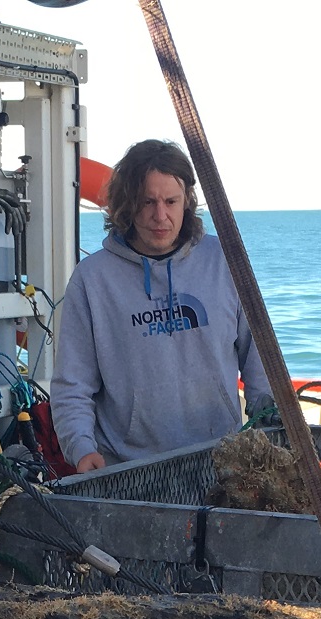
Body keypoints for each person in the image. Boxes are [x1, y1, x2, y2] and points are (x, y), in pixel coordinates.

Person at [51, 139, 268, 472]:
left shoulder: (226, 261)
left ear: (187, 202)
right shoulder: (91, 280)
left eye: (171, 201)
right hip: (127, 470)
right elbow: (72, 383)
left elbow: (260, 361)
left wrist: (270, 424)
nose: (160, 215)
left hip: (220, 462)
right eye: (147, 202)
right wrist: (80, 447)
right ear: (126, 204)